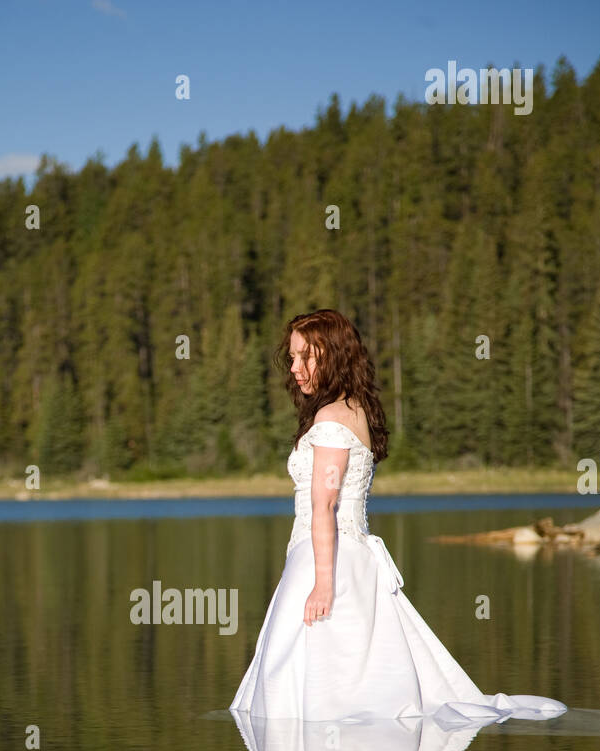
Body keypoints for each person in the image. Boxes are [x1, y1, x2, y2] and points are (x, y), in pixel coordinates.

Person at [229, 308, 566, 724]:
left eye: (306, 357)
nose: (295, 368)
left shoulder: (332, 419)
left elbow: (325, 505)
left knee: (299, 688)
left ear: (332, 357)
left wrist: (321, 584)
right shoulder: (352, 409)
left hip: (326, 560)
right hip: (345, 555)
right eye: (293, 357)